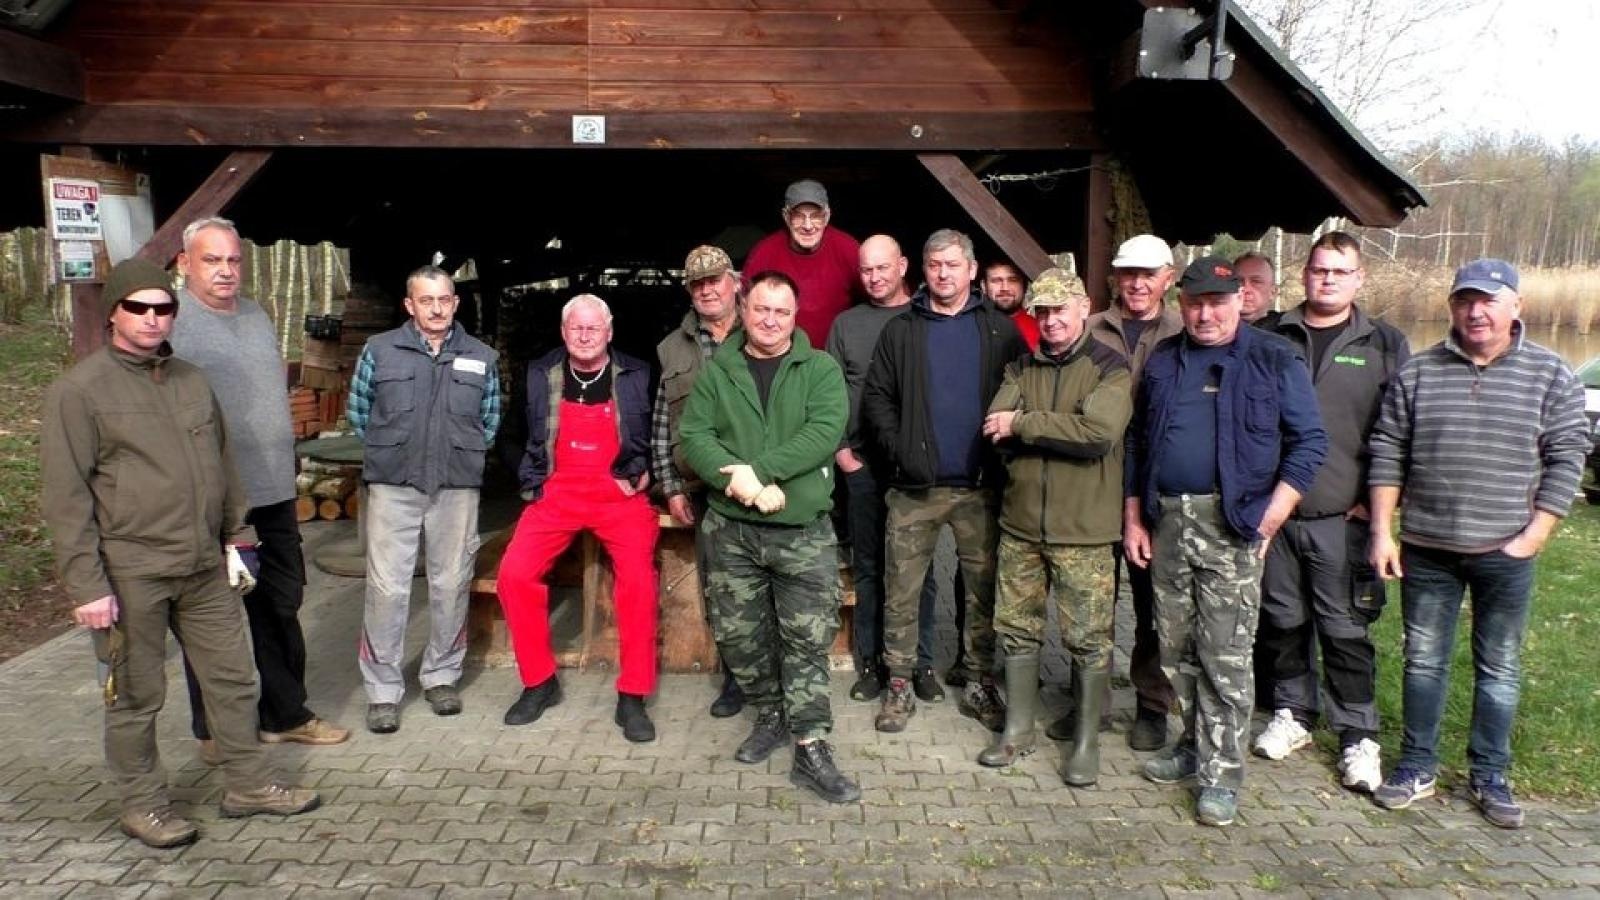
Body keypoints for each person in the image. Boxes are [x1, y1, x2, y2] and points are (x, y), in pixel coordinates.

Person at [41, 259, 320, 849]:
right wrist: (87, 586)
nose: (151, 319)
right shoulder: (80, 391)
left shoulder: (192, 380)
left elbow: (223, 467)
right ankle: (143, 804)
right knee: (136, 695)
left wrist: (237, 538)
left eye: (162, 308)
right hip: (131, 569)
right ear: (115, 312)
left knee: (233, 680)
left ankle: (247, 784)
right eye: (138, 307)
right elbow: (66, 497)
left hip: (203, 567)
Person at [1368, 258, 1589, 829]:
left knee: (1500, 666)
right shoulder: (1418, 372)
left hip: (1505, 549)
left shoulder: (1551, 373)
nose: (1476, 310)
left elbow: (1567, 456)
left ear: (1516, 306)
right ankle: (1417, 765)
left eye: (1489, 300)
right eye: (1466, 300)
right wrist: (1382, 531)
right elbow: (1388, 451)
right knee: (1422, 661)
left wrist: (1536, 534)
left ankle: (1490, 773)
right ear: (1452, 307)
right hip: (1428, 545)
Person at [1127, 256, 1326, 827]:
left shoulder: (1272, 358)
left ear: (1240, 299)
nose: (1206, 313)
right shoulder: (1166, 360)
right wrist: (1134, 517)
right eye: (1195, 302)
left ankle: (1221, 774)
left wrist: (1271, 516)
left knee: (1226, 655)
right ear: (1181, 304)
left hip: (1232, 523)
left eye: (1217, 301)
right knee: (1177, 646)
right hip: (1167, 519)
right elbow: (1139, 441)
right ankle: (1193, 745)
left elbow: (1309, 442)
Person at [169, 217, 349, 761]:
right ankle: (214, 732)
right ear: (184, 263)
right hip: (213, 503)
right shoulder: (173, 326)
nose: (225, 271)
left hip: (271, 495)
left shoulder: (255, 314)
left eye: (232, 260)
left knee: (280, 606)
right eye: (211, 260)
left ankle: (285, 716)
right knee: (209, 618)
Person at [679, 271, 859, 803]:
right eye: (761, 309)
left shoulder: (820, 369)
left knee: (806, 640)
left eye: (782, 311)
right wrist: (740, 484)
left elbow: (824, 433)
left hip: (801, 533)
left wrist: (759, 471)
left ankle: (811, 744)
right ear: (744, 308)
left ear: (795, 316)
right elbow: (694, 437)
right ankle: (772, 714)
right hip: (731, 534)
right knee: (741, 640)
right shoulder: (719, 370)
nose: (770, 320)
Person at [1252, 232, 1409, 794]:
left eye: (1340, 272)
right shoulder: (1269, 335)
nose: (1328, 280)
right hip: (1276, 517)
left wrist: (1382, 501)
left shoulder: (1384, 344)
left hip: (1344, 517)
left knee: (1345, 630)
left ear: (1359, 278)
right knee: (1283, 621)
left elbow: (1401, 431)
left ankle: (1357, 734)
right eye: (1320, 270)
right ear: (1304, 274)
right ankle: (1293, 712)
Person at [860, 228, 1028, 734]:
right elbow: (877, 400)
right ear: (923, 269)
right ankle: (899, 683)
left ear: (972, 270)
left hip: (980, 486)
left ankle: (978, 679)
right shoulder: (902, 330)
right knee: (902, 589)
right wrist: (902, 453)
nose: (943, 274)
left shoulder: (999, 331)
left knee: (982, 591)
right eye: (935, 265)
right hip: (915, 490)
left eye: (953, 265)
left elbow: (1025, 397)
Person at [978, 269, 1131, 785]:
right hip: (1021, 525)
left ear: (1083, 307)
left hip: (1083, 531)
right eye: (1041, 311)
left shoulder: (1110, 367)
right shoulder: (1021, 364)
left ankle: (1085, 744)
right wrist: (1031, 426)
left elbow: (1098, 434)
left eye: (1059, 309)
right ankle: (1018, 730)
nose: (1050, 321)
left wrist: (1026, 423)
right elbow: (992, 424)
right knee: (1017, 631)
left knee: (1088, 639)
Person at [496, 295, 660, 741]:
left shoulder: (638, 373)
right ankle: (539, 681)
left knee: (639, 585)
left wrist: (649, 474)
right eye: (576, 328)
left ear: (609, 332)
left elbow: (662, 431)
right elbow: (508, 437)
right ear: (563, 332)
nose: (584, 336)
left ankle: (633, 695)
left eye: (593, 328)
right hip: (557, 493)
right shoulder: (539, 373)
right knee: (514, 575)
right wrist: (531, 480)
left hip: (617, 495)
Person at [347, 265, 501, 734]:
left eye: (445, 299)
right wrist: (395, 450)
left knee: (450, 583)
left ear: (455, 303)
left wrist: (456, 450)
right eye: (426, 300)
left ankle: (441, 676)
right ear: (409, 305)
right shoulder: (379, 351)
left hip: (456, 485)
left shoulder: (481, 356)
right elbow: (359, 413)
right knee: (387, 588)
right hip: (394, 484)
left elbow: (489, 422)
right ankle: (383, 691)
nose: (437, 308)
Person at [827, 234, 957, 704]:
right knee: (869, 567)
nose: (875, 278)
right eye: (866, 270)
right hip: (862, 465)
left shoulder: (925, 318)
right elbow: (830, 390)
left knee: (917, 570)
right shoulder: (847, 323)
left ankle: (919, 662)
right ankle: (872, 664)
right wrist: (841, 450)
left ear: (903, 266)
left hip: (916, 468)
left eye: (883, 268)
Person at [1071, 233, 1184, 750]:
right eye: (1128, 273)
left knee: (1153, 606)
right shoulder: (1087, 330)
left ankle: (1152, 704)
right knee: (1087, 604)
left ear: (1169, 277)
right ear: (1115, 277)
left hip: (1156, 488)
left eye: (1148, 274)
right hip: (1093, 485)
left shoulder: (1186, 331)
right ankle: (1087, 704)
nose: (1138, 283)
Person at [652, 245, 745, 718]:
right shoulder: (672, 347)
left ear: (735, 282)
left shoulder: (763, 329)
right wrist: (670, 484)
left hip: (761, 483)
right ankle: (735, 678)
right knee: (720, 587)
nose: (707, 289)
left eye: (715, 280)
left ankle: (770, 673)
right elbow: (662, 422)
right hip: (703, 491)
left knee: (769, 582)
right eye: (698, 283)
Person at [743, 179, 862, 345]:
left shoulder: (848, 249)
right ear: (786, 217)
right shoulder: (764, 253)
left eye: (816, 216)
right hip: (779, 358)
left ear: (827, 216)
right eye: (798, 216)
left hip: (837, 356)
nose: (808, 226)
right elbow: (744, 307)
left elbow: (876, 298)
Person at [984, 260, 1039, 351]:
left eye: (1013, 280)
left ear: (1024, 285)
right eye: (997, 281)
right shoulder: (972, 326)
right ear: (983, 286)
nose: (1005, 288)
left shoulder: (1044, 329)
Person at [1235, 251, 1282, 328]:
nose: (1245, 289)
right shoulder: (1213, 332)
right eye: (1239, 281)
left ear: (1273, 292)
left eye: (1256, 282)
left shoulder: (1288, 333)